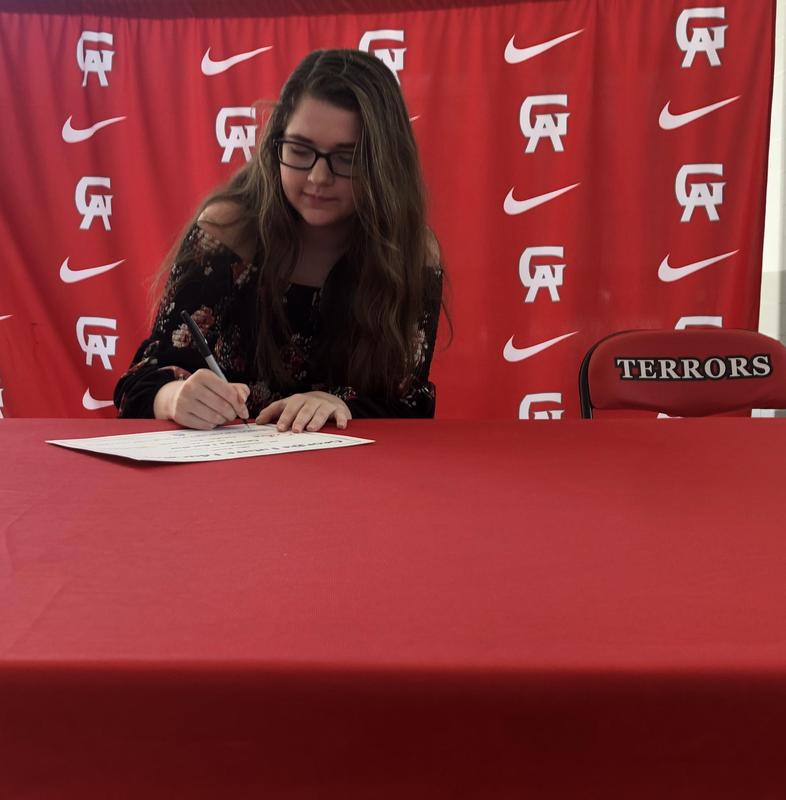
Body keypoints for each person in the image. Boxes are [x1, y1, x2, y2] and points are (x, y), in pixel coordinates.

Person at [114, 48, 444, 433]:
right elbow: (141, 383)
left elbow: (409, 402)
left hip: (353, 481)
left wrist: (339, 403)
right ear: (276, 144)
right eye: (300, 150)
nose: (318, 178)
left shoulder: (411, 252)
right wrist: (174, 397)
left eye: (346, 158)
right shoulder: (228, 230)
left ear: (383, 164)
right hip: (225, 476)